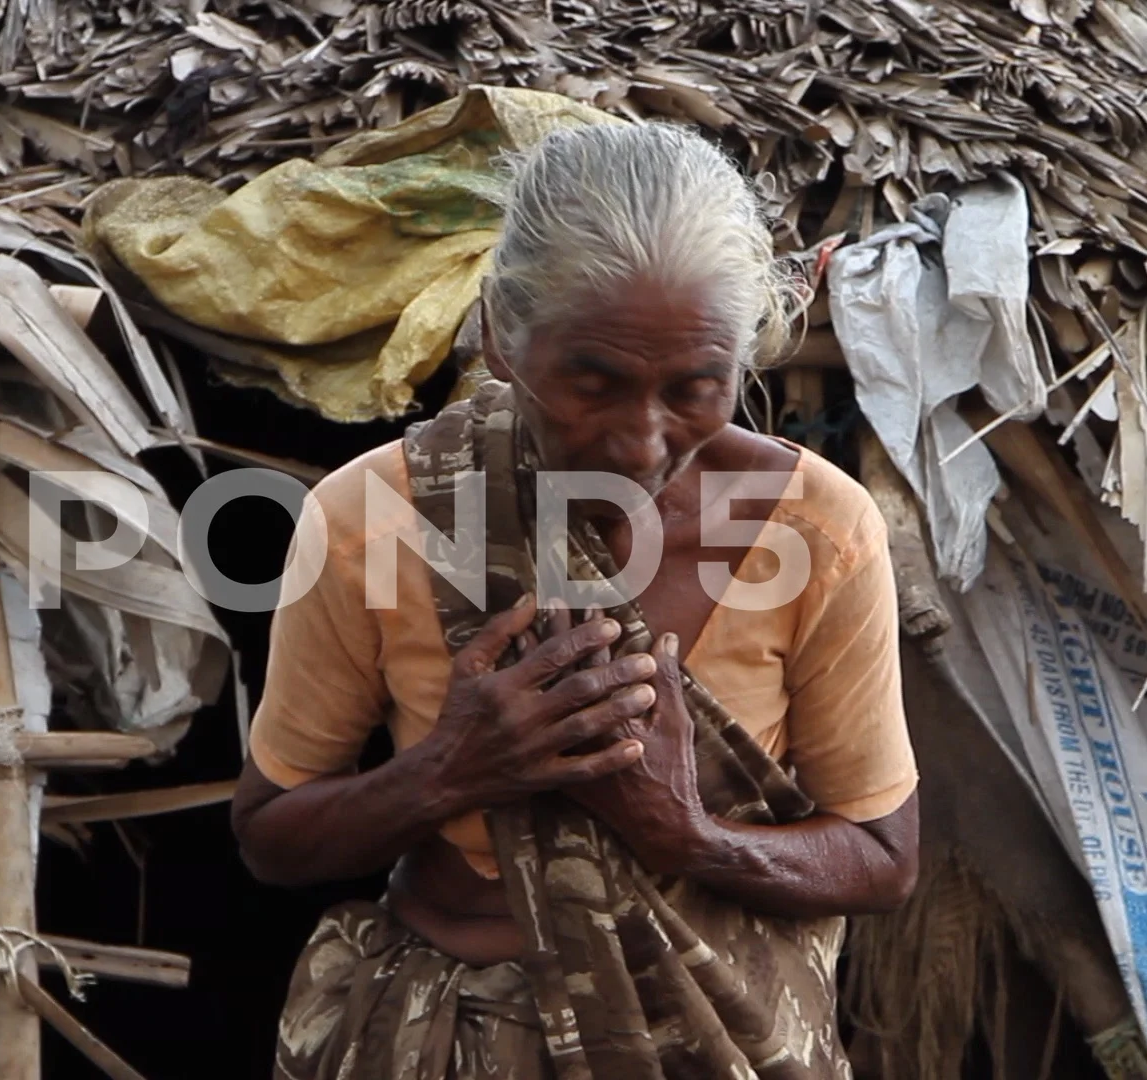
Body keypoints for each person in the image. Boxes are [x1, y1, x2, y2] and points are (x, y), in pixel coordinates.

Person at [231, 120, 919, 1080]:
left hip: (721, 1045)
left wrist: (690, 836)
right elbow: (270, 835)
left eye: (696, 388)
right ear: (498, 340)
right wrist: (451, 770)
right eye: (590, 384)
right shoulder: (367, 520)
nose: (641, 442)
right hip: (450, 1043)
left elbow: (883, 857)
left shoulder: (818, 529)